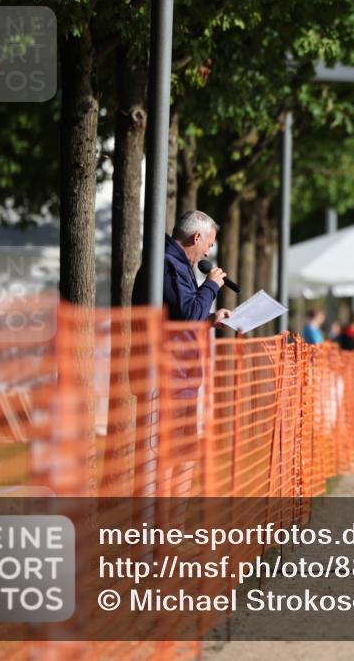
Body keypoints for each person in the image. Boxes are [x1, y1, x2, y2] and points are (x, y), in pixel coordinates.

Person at [131, 210, 235, 498]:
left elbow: (180, 317)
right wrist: (212, 285)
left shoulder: (178, 265)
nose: (209, 251)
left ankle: (173, 529)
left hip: (184, 380)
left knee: (186, 455)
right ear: (197, 237)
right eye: (210, 244)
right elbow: (187, 313)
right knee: (162, 456)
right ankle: (154, 531)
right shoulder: (166, 264)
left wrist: (209, 318)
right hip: (166, 379)